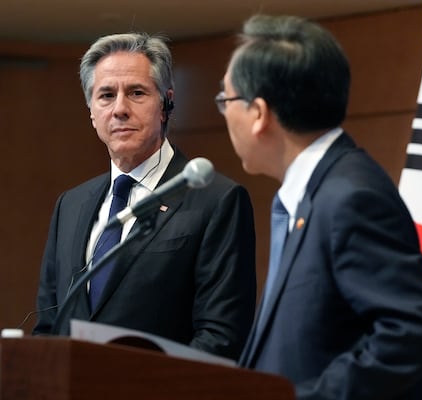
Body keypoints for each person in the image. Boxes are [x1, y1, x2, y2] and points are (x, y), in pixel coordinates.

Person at [217, 14, 422, 399]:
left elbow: (414, 331)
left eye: (226, 101)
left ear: (258, 114)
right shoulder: (317, 191)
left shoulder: (349, 197)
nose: (226, 115)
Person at [32, 32, 257, 361]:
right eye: (106, 95)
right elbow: (49, 327)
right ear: (91, 111)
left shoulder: (217, 201)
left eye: (136, 93)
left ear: (166, 103)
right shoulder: (71, 204)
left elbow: (220, 337)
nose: (120, 109)